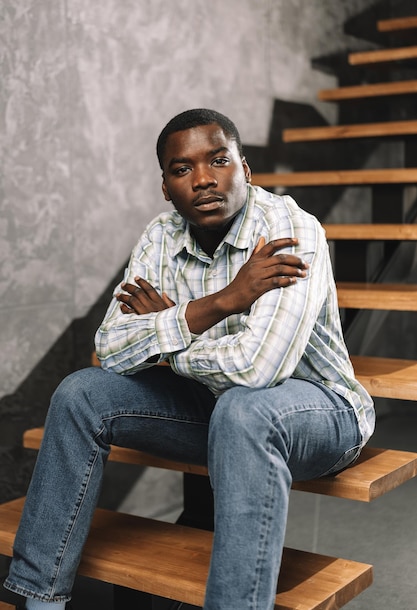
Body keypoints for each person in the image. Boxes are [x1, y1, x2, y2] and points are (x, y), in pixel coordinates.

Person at [5, 108, 375, 610]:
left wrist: (168, 333)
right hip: (215, 408)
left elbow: (256, 369)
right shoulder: (161, 236)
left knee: (245, 409)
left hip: (319, 411)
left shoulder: (291, 230)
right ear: (166, 186)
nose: (203, 180)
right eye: (182, 169)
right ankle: (39, 598)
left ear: (244, 168)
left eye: (219, 160)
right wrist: (218, 304)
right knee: (80, 393)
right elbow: (111, 347)